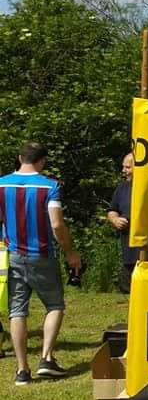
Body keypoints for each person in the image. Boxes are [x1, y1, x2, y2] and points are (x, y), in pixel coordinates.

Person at [0, 141, 81, 386]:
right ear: (42, 161)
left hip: (12, 253)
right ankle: (46, 358)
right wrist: (70, 252)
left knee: (17, 310)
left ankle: (22, 370)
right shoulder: (50, 186)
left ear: (19, 157)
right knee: (55, 305)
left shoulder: (1, 184)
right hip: (42, 254)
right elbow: (56, 224)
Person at [106, 152, 137, 293]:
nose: (124, 170)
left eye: (128, 167)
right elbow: (112, 210)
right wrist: (115, 219)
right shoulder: (122, 188)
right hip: (128, 253)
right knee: (127, 290)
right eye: (123, 167)